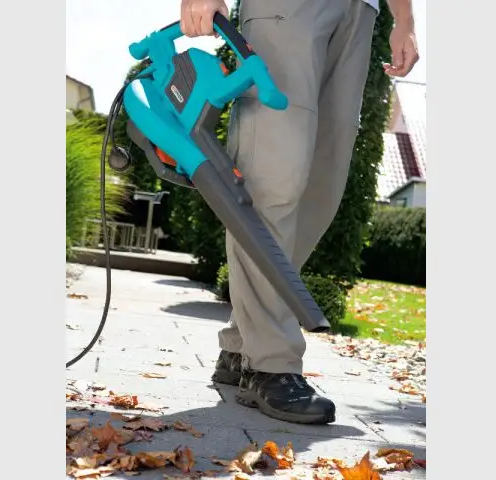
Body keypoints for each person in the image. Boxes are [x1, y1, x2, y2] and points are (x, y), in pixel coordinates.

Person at [179, 0, 419, 425]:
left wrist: (405, 20)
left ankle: (241, 344)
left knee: (319, 191)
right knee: (273, 175)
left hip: (359, 13)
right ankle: (271, 363)